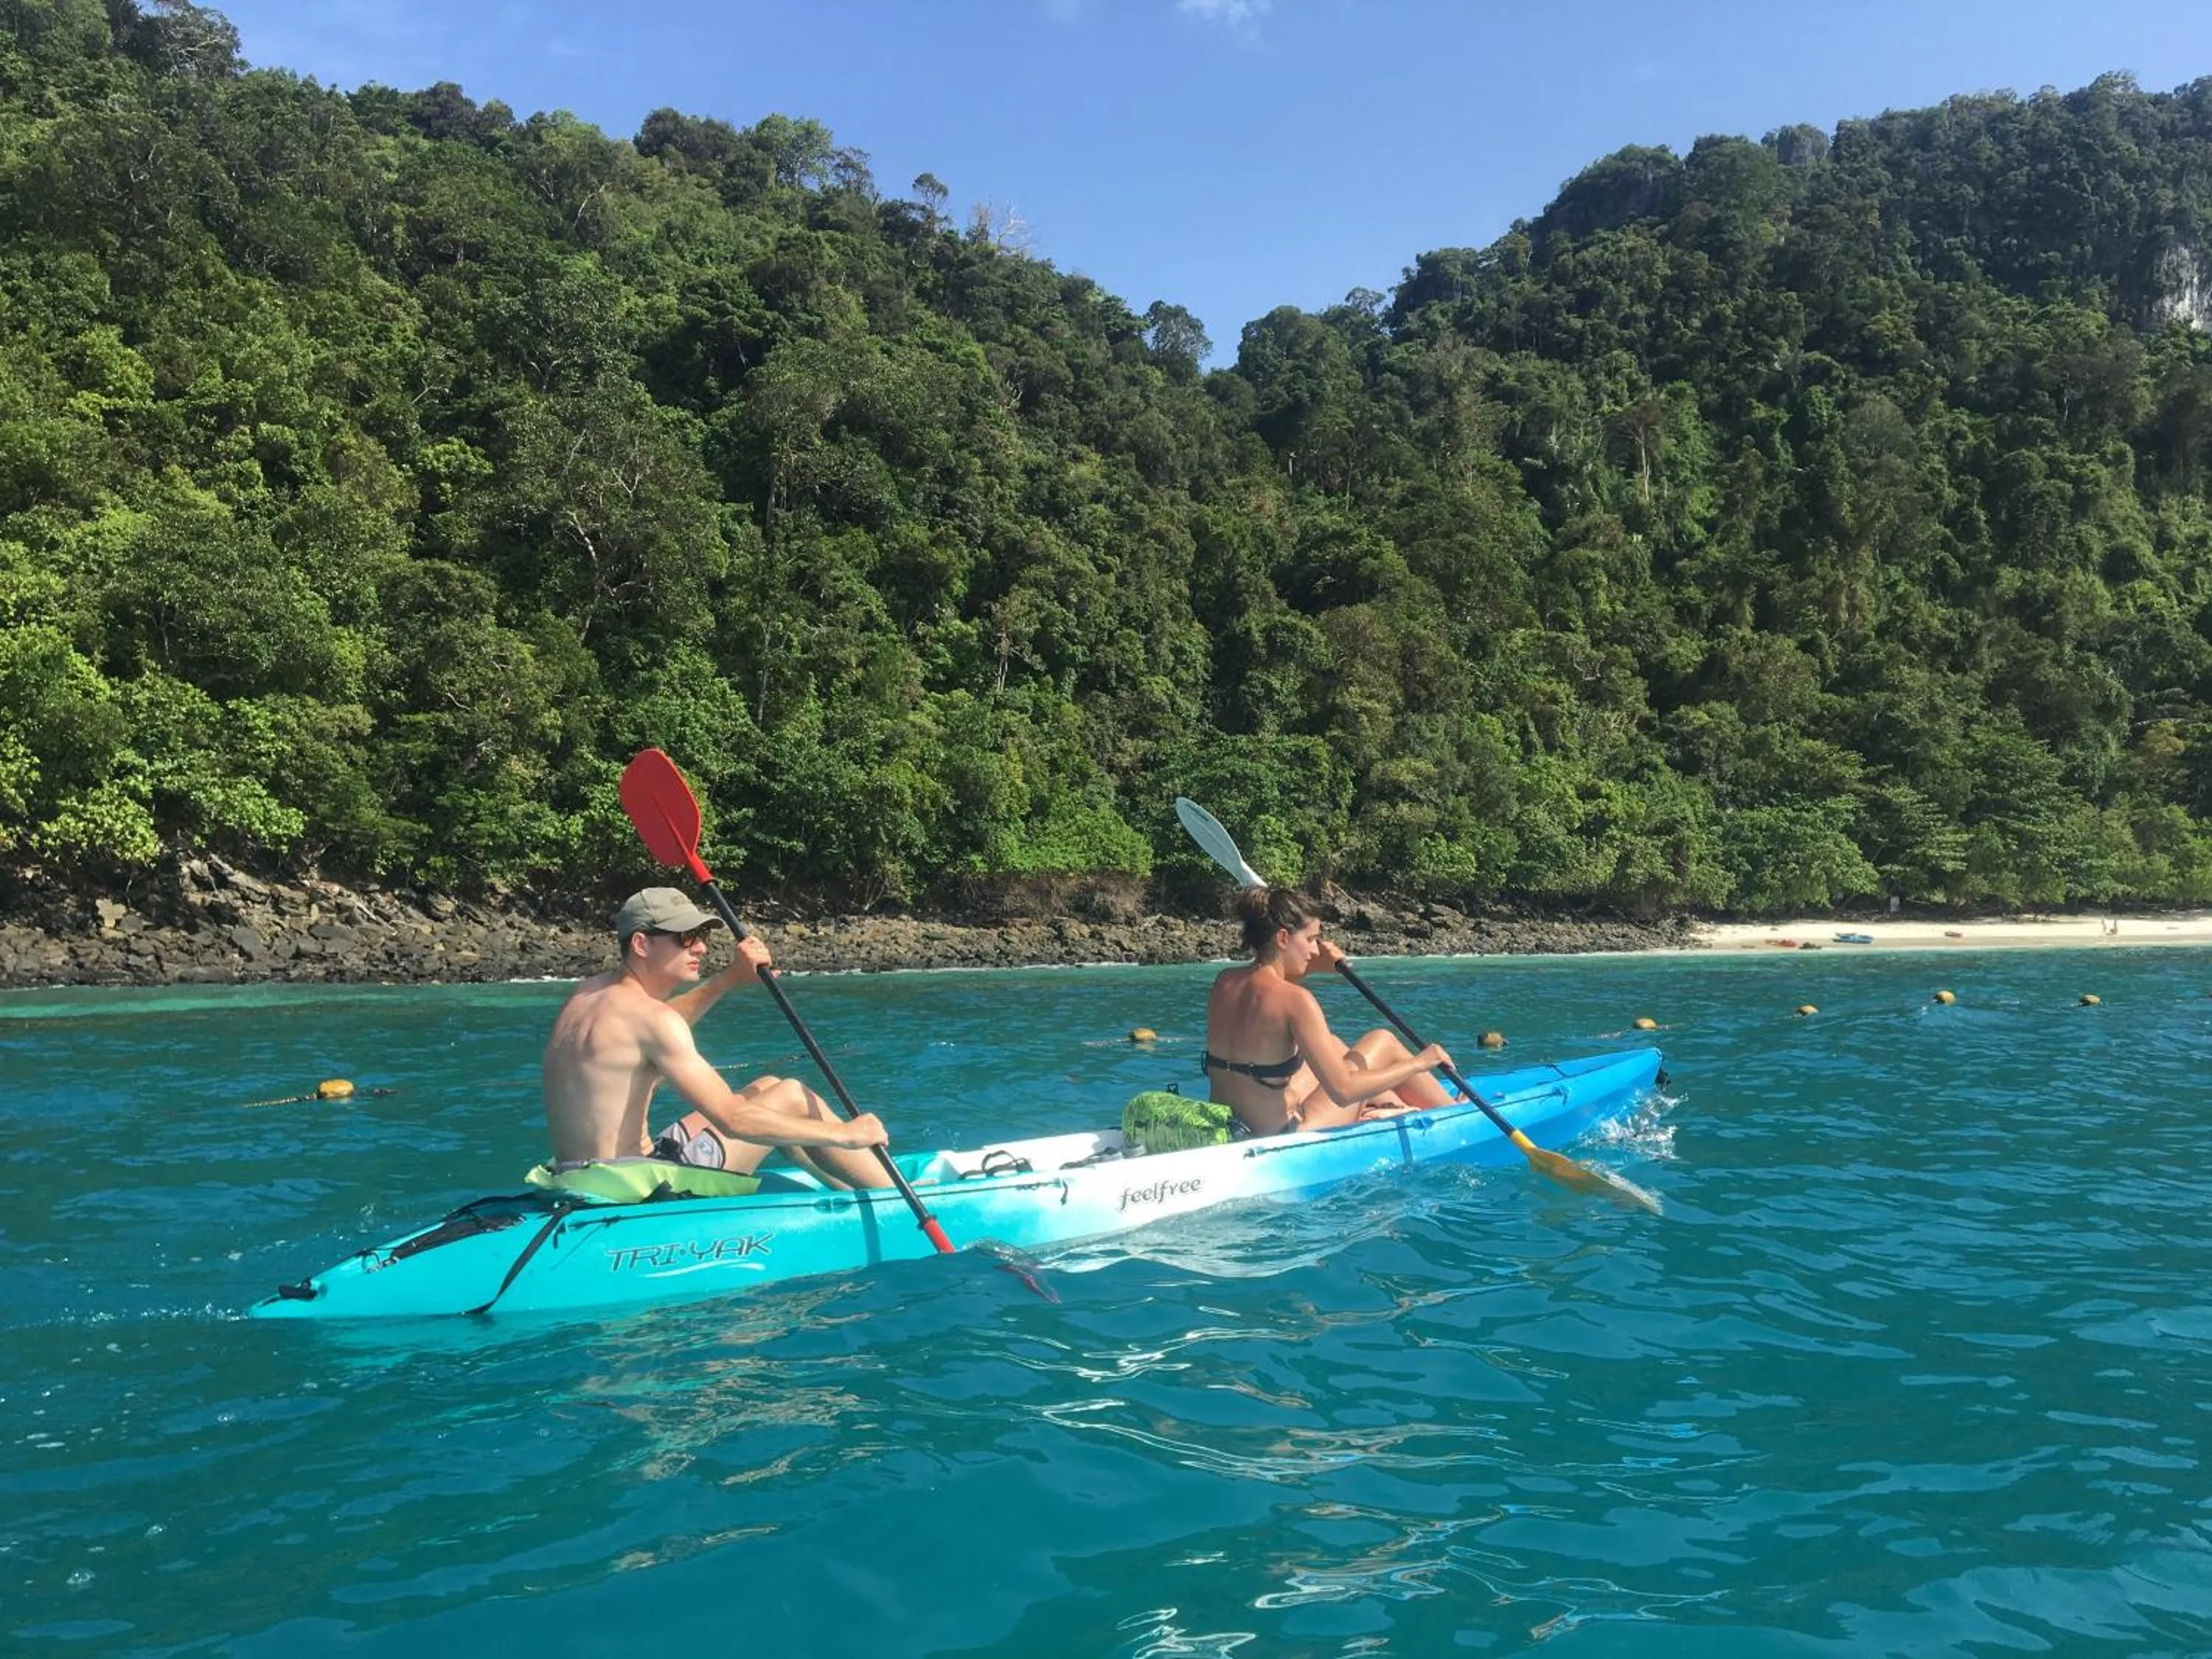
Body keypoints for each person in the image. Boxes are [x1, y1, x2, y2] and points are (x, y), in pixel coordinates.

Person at [540, 887, 891, 1189]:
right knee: (793, 1096)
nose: (701, 949)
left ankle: (848, 1189)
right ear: (641, 944)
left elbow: (652, 1031)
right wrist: (849, 1134)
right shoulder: (653, 1020)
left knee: (767, 1085)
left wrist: (727, 980)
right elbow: (733, 1120)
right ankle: (895, 1196)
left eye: (701, 937)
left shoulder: (589, 995)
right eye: (685, 938)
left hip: (578, 1177)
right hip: (632, 1187)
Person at [1202, 884, 1454, 1136]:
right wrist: (1420, 1063)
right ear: (1282, 939)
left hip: (1231, 1129)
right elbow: (1343, 1091)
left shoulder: (1225, 981)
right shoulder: (1298, 1000)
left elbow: (1269, 997)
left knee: (1331, 1045)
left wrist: (1313, 968)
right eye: (1311, 939)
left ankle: (1390, 1103)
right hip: (1282, 1136)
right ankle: (1456, 1113)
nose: (1315, 950)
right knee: (1383, 1041)